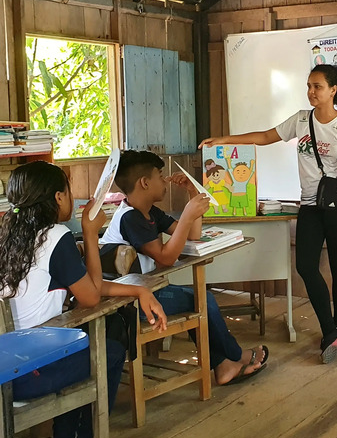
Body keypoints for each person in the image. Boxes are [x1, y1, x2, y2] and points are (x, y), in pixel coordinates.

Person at [0, 161, 168, 438]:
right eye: (69, 190)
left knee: (87, 339)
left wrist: (137, 290)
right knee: (111, 350)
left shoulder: (8, 235)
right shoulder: (56, 236)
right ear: (58, 196)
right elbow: (90, 297)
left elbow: (87, 285)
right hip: (24, 374)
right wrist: (90, 234)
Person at [200, 64, 337, 363]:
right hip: (310, 205)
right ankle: (330, 329)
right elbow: (266, 137)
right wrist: (224, 140)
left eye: (317, 86)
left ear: (333, 90)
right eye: (308, 85)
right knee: (305, 265)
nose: (311, 92)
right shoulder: (302, 120)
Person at [99, 150, 269, 385]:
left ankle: (224, 365)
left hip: (145, 294)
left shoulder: (148, 212)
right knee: (202, 300)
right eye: (160, 175)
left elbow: (193, 234)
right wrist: (188, 215)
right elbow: (166, 258)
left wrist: (192, 194)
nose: (164, 180)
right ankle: (234, 358)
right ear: (145, 183)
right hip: (128, 303)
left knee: (198, 299)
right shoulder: (130, 218)